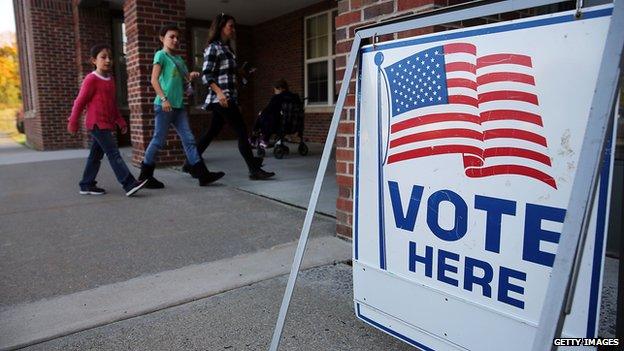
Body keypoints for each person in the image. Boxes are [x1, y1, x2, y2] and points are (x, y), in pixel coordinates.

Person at [138, 24, 224, 188]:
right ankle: (145, 175)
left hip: (179, 107)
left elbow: (185, 83)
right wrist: (164, 99)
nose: (175, 40)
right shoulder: (160, 55)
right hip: (164, 106)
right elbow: (154, 80)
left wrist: (190, 77)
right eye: (172, 37)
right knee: (158, 140)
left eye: (177, 37)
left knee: (189, 140)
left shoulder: (179, 60)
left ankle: (202, 175)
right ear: (162, 38)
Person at [196, 13, 275, 180]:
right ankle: (254, 169)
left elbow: (227, 71)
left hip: (228, 96)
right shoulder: (213, 47)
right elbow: (206, 74)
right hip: (222, 98)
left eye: (234, 26)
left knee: (212, 131)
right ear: (221, 27)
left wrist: (241, 71)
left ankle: (190, 162)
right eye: (230, 26)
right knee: (241, 130)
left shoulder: (228, 49)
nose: (233, 29)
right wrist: (219, 92)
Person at [67, 44, 148, 197]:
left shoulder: (110, 80)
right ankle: (129, 183)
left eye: (110, 57)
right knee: (113, 153)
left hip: (106, 123)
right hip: (96, 123)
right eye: (103, 57)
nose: (108, 60)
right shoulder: (91, 79)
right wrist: (73, 121)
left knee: (95, 156)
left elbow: (112, 104)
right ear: (94, 60)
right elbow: (80, 101)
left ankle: (86, 184)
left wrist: (120, 121)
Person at [253, 79, 301, 147]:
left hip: (280, 126)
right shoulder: (295, 97)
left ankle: (258, 137)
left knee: (263, 116)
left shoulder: (277, 97)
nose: (275, 92)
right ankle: (260, 138)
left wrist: (261, 113)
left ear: (280, 88)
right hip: (294, 125)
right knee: (270, 117)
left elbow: (269, 108)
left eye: (275, 90)